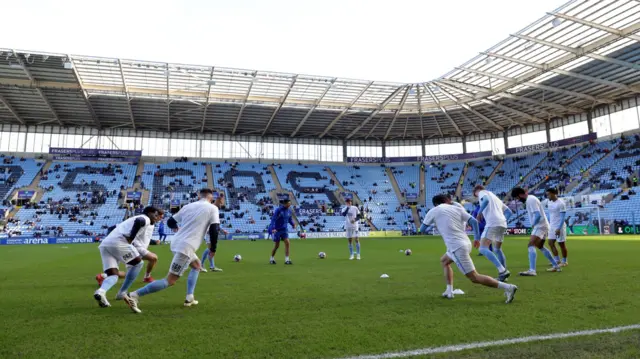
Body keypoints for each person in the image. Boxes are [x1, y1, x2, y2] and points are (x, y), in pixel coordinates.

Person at [122, 188, 223, 313]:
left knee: (197, 266)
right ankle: (133, 295)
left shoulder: (188, 206)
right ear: (211, 198)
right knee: (170, 280)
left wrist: (176, 229)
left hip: (176, 242)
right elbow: (214, 228)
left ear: (199, 196)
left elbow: (170, 221)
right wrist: (213, 249)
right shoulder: (213, 208)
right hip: (186, 247)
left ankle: (189, 297)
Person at [420, 194, 518, 303]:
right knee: (444, 261)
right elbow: (474, 221)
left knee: (474, 277)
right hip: (465, 243)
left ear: (436, 204)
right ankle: (449, 291)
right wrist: (476, 238)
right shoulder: (457, 208)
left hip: (456, 247)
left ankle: (508, 287)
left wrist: (436, 223)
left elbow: (422, 229)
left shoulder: (434, 211)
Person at [93, 206, 161, 308]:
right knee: (138, 263)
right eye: (155, 215)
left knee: (113, 275)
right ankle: (122, 293)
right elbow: (139, 221)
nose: (156, 217)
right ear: (149, 213)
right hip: (119, 243)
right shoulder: (145, 218)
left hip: (106, 244)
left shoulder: (133, 220)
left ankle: (101, 292)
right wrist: (131, 237)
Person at [511, 187, 561, 276]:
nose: (518, 200)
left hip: (540, 225)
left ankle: (532, 270)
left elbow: (537, 215)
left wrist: (533, 224)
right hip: (544, 225)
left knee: (531, 244)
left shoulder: (530, 200)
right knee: (540, 246)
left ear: (519, 194)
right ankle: (555, 265)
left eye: (517, 198)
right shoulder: (531, 199)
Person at [473, 185, 512, 282]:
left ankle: (502, 271)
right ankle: (504, 275)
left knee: (482, 248)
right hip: (502, 224)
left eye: (475, 195)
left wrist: (479, 213)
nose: (477, 197)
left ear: (476, 191)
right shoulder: (495, 197)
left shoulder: (482, 193)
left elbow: (485, 200)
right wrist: (502, 220)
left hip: (492, 223)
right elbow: (509, 212)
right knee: (497, 249)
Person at [200, 194, 229, 272]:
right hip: (209, 232)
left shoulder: (215, 209)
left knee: (210, 249)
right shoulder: (212, 208)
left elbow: (215, 223)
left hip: (210, 231)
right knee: (210, 249)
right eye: (221, 202)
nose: (222, 204)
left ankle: (211, 266)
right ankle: (202, 265)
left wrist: (223, 230)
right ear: (218, 201)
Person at [269, 199, 296, 265]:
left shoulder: (289, 211)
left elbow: (289, 219)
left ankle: (287, 260)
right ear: (285, 204)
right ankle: (272, 258)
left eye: (290, 203)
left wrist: (293, 224)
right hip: (277, 230)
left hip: (284, 230)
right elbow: (273, 219)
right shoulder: (278, 210)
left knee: (287, 243)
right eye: (288, 204)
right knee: (277, 246)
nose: (289, 205)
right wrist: (273, 228)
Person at [546, 188, 568, 267]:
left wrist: (559, 228)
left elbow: (562, 217)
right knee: (550, 243)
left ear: (553, 194)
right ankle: (557, 260)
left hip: (559, 226)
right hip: (552, 226)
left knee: (561, 244)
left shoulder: (561, 203)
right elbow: (550, 214)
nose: (547, 196)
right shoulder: (549, 202)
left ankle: (564, 261)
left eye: (548, 194)